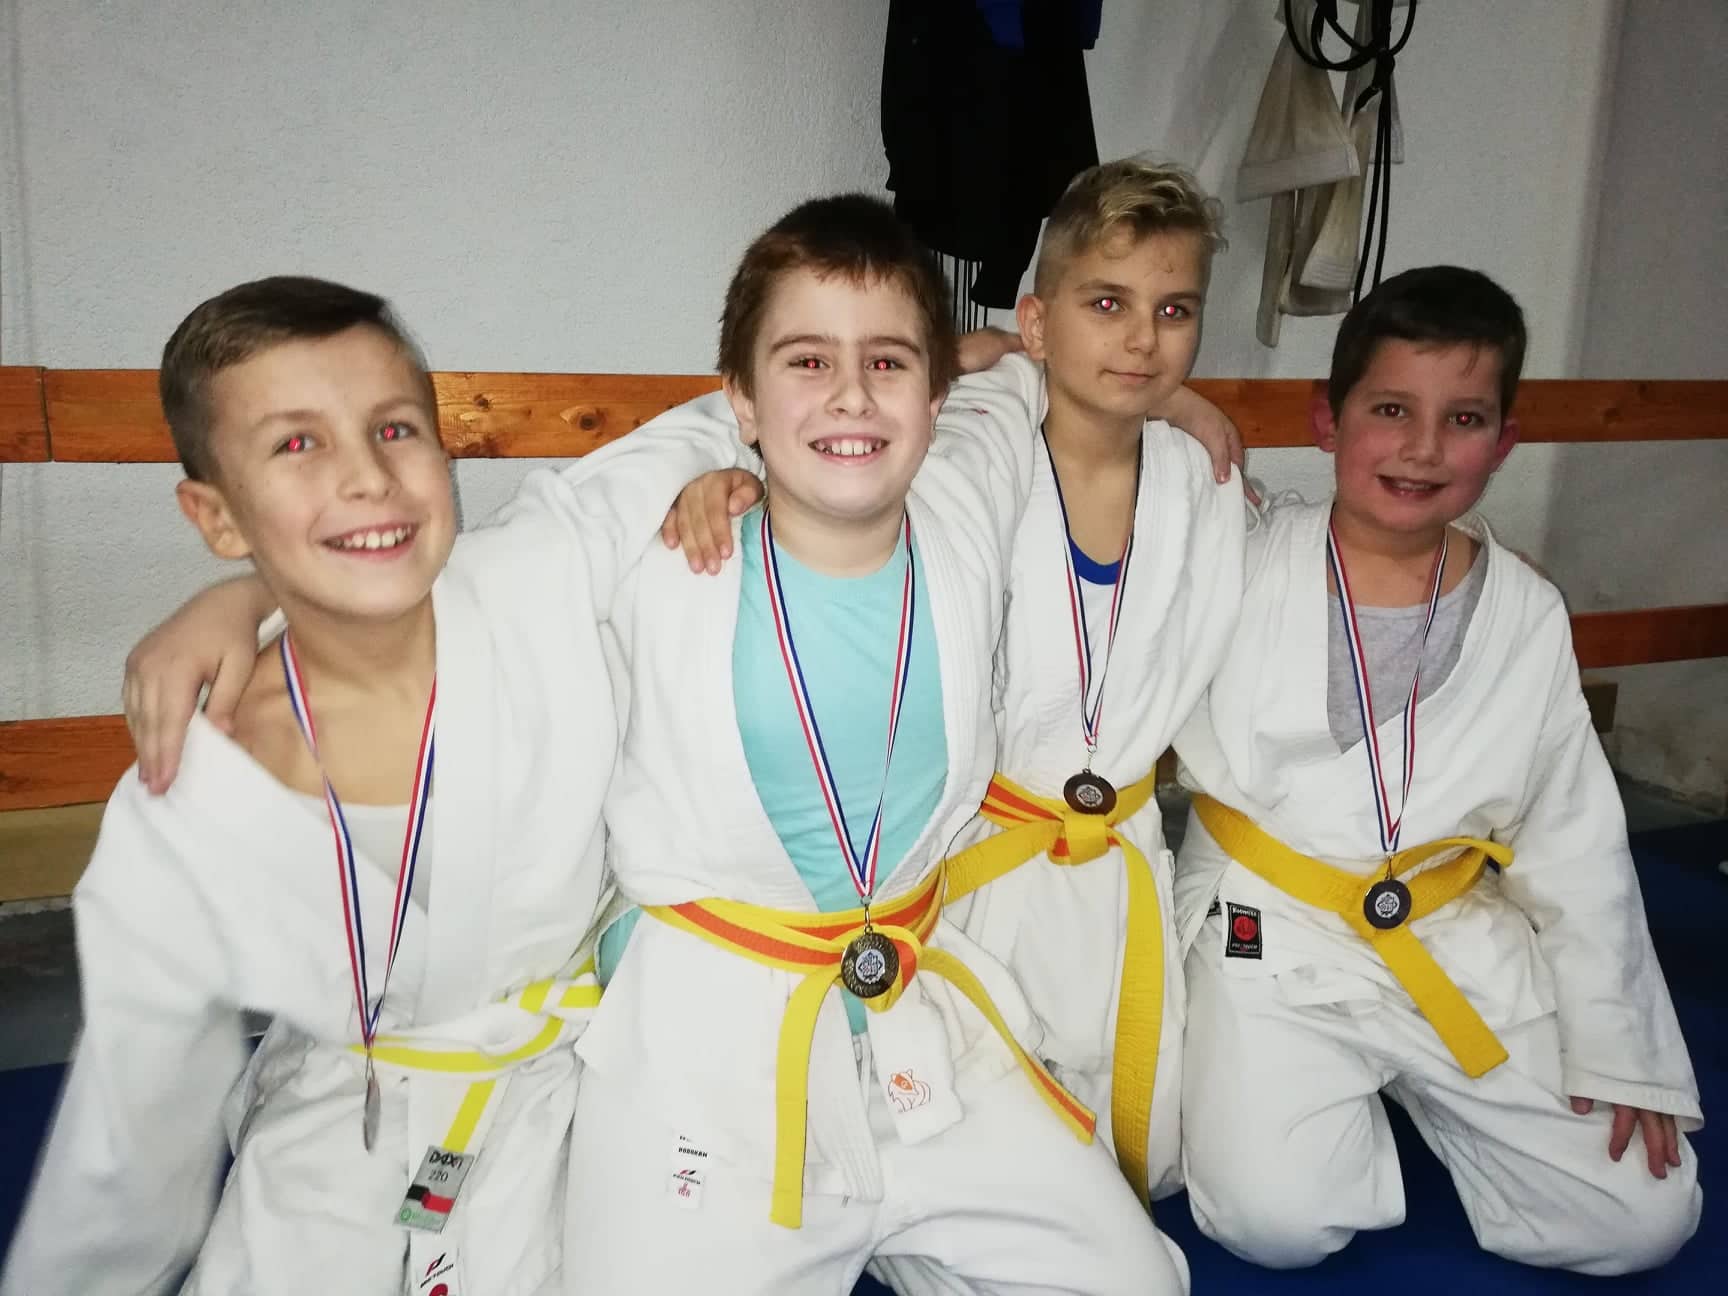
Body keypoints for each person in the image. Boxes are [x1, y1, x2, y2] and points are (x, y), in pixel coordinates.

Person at [3, 276, 746, 1294]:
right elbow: (131, 1120)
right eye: (297, 444)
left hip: (577, 1081)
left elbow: (736, 416)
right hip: (350, 1103)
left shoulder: (538, 568)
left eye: (395, 429)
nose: (366, 477)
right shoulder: (203, 778)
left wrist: (955, 375)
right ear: (216, 517)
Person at [564, 194, 1189, 1294]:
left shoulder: (961, 498)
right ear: (739, 401)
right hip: (714, 1035)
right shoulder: (655, 562)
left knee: (1140, 1282)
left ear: (935, 397)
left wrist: (1193, 405)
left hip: (911, 1011)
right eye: (807, 362)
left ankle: (907, 1228)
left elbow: (1034, 376)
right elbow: (475, 598)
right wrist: (252, 611)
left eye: (889, 364)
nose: (852, 394)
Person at [1172, 265, 1704, 1275]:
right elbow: (1099, 433)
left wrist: (1622, 1049)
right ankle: (1331, 1095)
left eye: (1463, 419)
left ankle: (1398, 1088)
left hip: (1451, 931)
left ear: (1503, 442)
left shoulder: (1524, 614)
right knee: (1276, 1224)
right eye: (1389, 410)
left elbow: (1576, 841)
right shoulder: (1237, 554)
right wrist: (1176, 399)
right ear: (1326, 420)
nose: (1422, 448)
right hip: (1272, 927)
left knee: (1642, 1219)